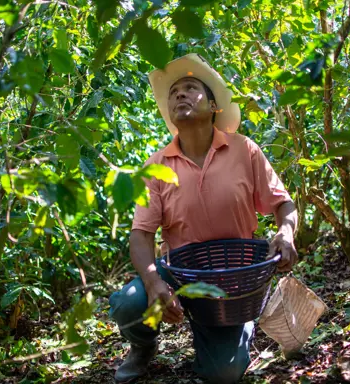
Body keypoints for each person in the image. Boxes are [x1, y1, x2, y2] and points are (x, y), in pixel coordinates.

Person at [108, 53, 298, 383]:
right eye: (174, 92)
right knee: (128, 305)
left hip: (233, 276)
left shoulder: (244, 150)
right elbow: (141, 235)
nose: (179, 94)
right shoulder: (156, 166)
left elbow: (284, 203)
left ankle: (236, 325)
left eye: (191, 87)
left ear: (213, 107)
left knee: (223, 374)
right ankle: (143, 345)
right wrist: (154, 284)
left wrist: (286, 232)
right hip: (178, 272)